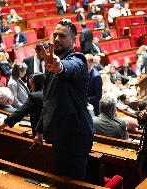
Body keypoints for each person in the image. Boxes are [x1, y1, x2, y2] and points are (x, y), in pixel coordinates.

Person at [34, 19, 94, 181]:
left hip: (75, 136)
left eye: (62, 36)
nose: (56, 39)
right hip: (60, 135)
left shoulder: (78, 60)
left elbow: (69, 67)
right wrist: (40, 129)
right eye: (55, 35)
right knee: (60, 179)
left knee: (74, 183)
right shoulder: (51, 63)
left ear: (73, 40)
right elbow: (49, 100)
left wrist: (59, 66)